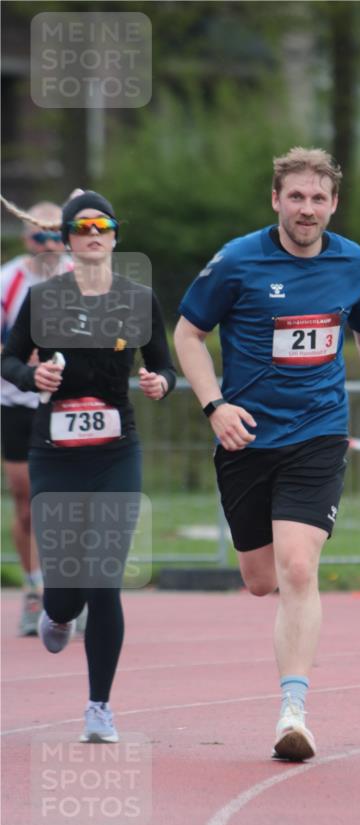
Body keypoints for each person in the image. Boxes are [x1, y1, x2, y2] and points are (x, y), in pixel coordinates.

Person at [175, 146, 360, 762]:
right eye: (295, 197)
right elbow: (187, 334)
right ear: (276, 200)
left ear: (334, 204)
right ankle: (288, 680)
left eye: (318, 198)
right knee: (260, 579)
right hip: (245, 437)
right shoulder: (238, 260)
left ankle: (293, 711)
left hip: (318, 432)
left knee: (300, 568)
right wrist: (215, 406)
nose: (307, 209)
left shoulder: (354, 262)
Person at [1, 190, 176, 742]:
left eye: (103, 225)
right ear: (71, 241)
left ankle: (99, 707)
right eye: (82, 227)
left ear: (116, 237)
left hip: (114, 450)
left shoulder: (139, 299)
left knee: (104, 580)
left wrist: (159, 383)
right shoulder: (44, 297)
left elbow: (164, 366)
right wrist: (33, 379)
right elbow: (8, 356)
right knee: (67, 589)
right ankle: (54, 609)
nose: (93, 233)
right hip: (54, 452)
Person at [1, 201, 70, 635]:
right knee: (27, 502)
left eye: (54, 234)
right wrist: (20, 359)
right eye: (38, 234)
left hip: (64, 402)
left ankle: (67, 594)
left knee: (65, 500)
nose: (47, 243)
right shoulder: (8, 280)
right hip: (15, 401)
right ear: (27, 236)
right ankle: (33, 588)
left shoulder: (78, 278)